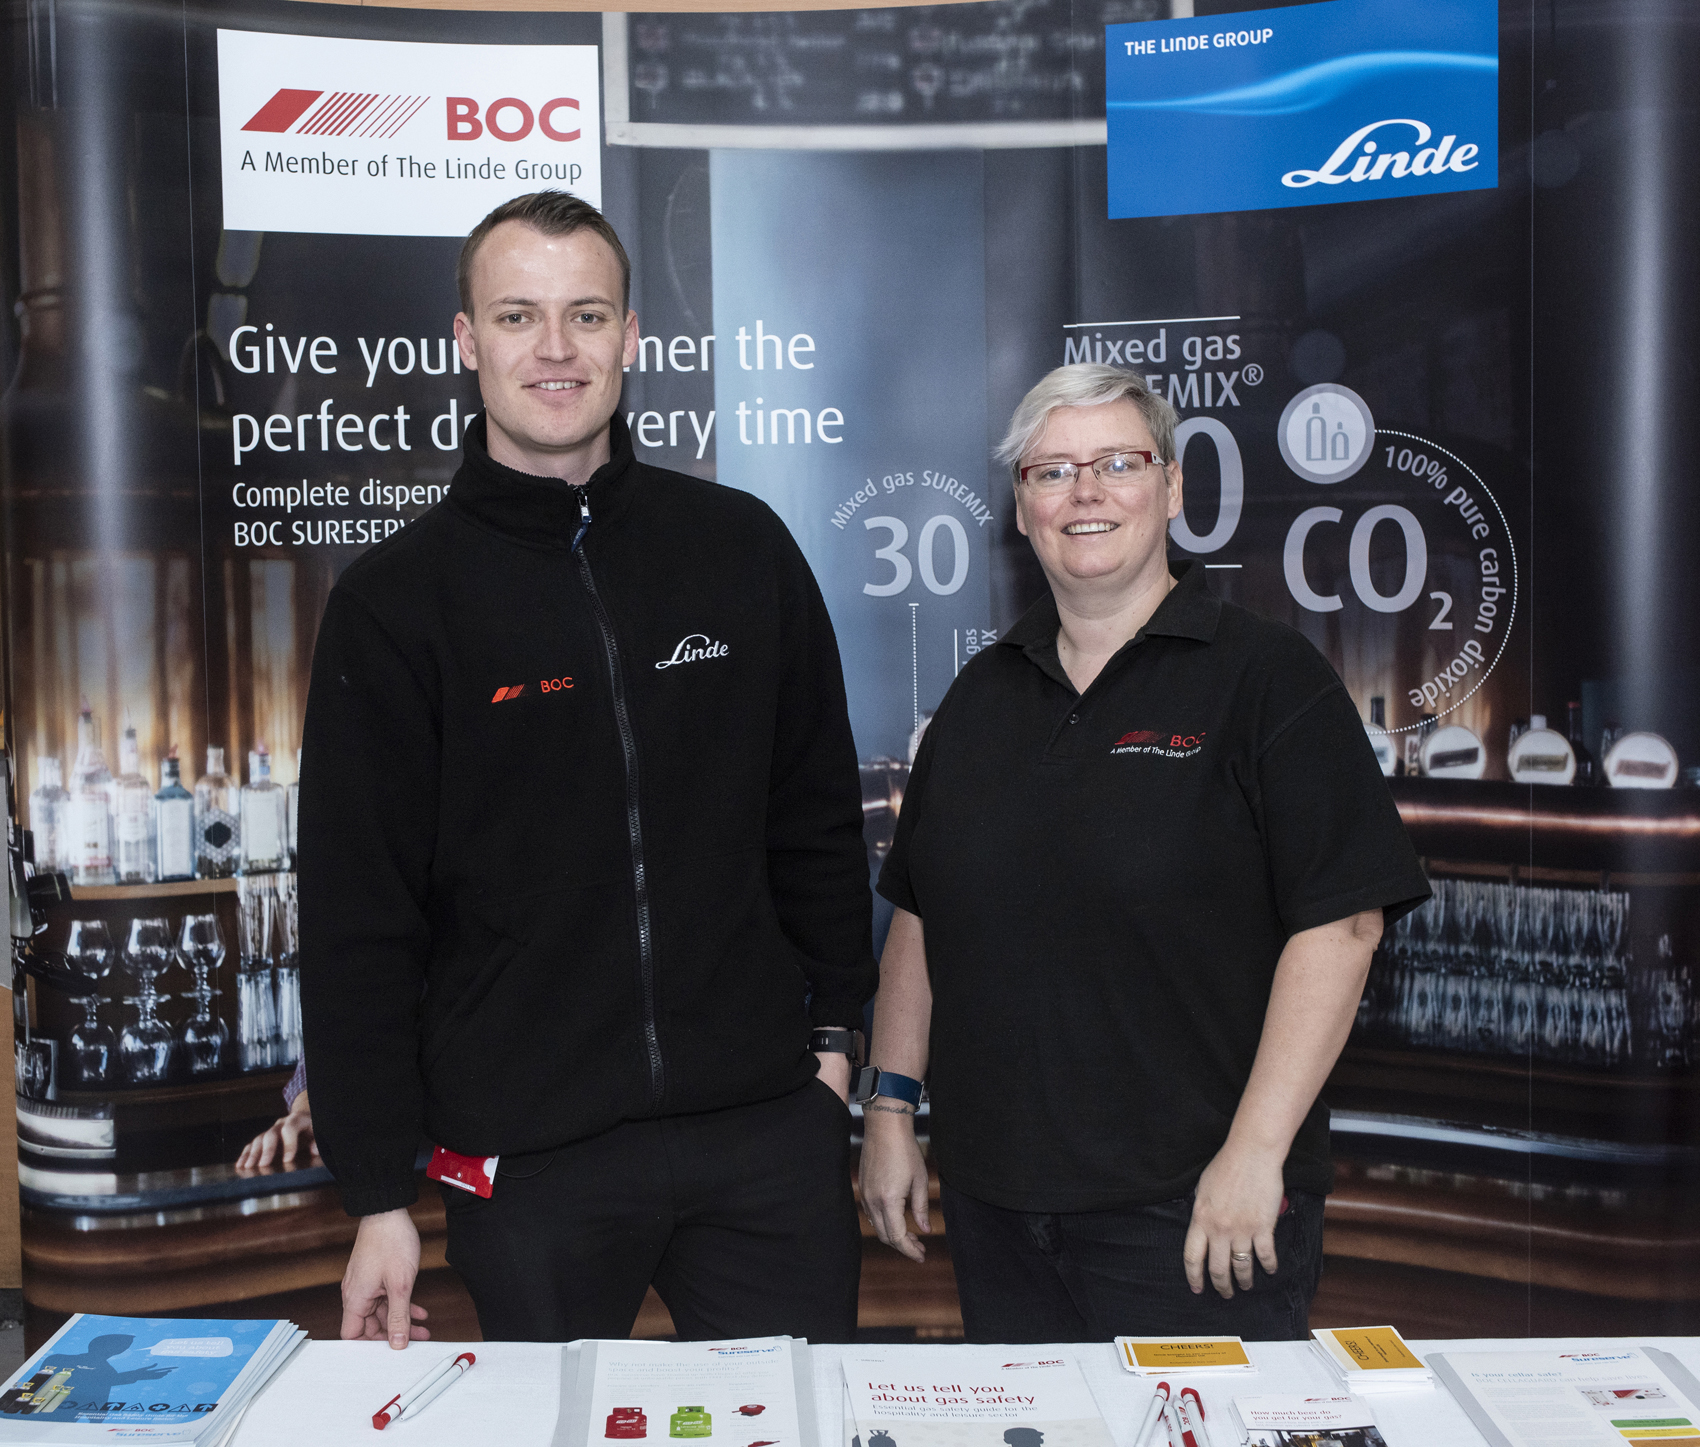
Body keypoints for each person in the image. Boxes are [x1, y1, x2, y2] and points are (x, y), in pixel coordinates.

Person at [298, 191, 873, 1349]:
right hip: (528, 1161)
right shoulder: (394, 603)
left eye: (586, 314)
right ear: (467, 341)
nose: (554, 348)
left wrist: (832, 1052)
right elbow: (358, 916)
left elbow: (814, 818)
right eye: (518, 316)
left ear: (631, 336)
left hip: (763, 1134)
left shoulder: (740, 546)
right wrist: (377, 1193)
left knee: (795, 1423)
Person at [858, 363, 1429, 1343]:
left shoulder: (1267, 679)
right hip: (997, 1209)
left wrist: (1255, 1152)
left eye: (1117, 464)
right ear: (1022, 509)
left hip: (1194, 1212)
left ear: (1170, 488)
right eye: (1052, 471)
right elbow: (919, 913)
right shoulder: (977, 699)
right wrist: (889, 1110)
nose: (1085, 491)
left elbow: (1343, 926)